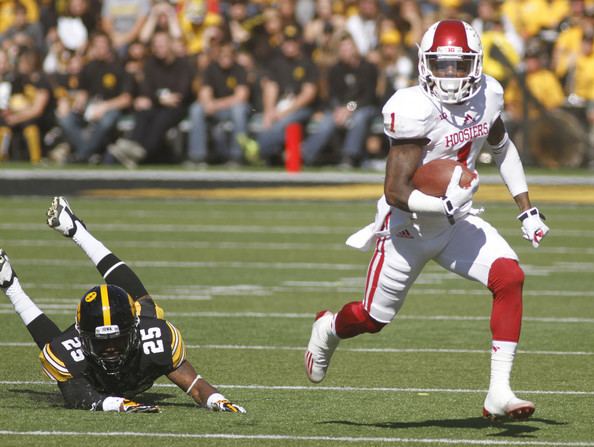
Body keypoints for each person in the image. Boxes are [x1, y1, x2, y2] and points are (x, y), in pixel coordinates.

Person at [304, 20, 550, 421]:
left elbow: (502, 148)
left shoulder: (489, 94)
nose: (450, 76)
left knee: (510, 277)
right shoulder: (413, 108)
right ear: (424, 63)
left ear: (476, 64)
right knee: (371, 318)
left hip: (456, 224)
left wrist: (526, 207)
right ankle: (329, 327)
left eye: (459, 65)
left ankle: (499, 392)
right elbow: (395, 190)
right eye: (441, 65)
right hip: (408, 228)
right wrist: (444, 206)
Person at [0, 196, 246, 414]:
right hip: (88, 370)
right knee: (54, 349)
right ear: (83, 337)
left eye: (116, 340)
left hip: (129, 333)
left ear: (133, 330)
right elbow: (79, 398)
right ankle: (10, 284)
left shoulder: (154, 338)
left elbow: (195, 386)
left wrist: (217, 399)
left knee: (148, 306)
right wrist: (118, 404)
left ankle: (76, 230)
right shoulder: (70, 351)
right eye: (101, 342)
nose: (110, 349)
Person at [58, 31, 133, 163]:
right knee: (65, 118)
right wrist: (78, 102)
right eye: (96, 46)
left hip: (111, 108)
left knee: (106, 121)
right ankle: (89, 153)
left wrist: (104, 107)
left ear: (109, 46)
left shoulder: (120, 67)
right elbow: (83, 91)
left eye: (102, 45)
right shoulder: (89, 67)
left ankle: (81, 155)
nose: (99, 49)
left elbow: (126, 99)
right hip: (90, 106)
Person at [187, 41, 251, 166]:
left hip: (233, 108)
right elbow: (205, 91)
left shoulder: (240, 69)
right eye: (222, 56)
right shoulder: (210, 69)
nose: (225, 59)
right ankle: (197, 156)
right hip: (215, 108)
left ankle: (236, 156)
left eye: (228, 56)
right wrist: (208, 103)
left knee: (239, 110)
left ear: (233, 56)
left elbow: (241, 97)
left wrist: (215, 105)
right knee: (196, 109)